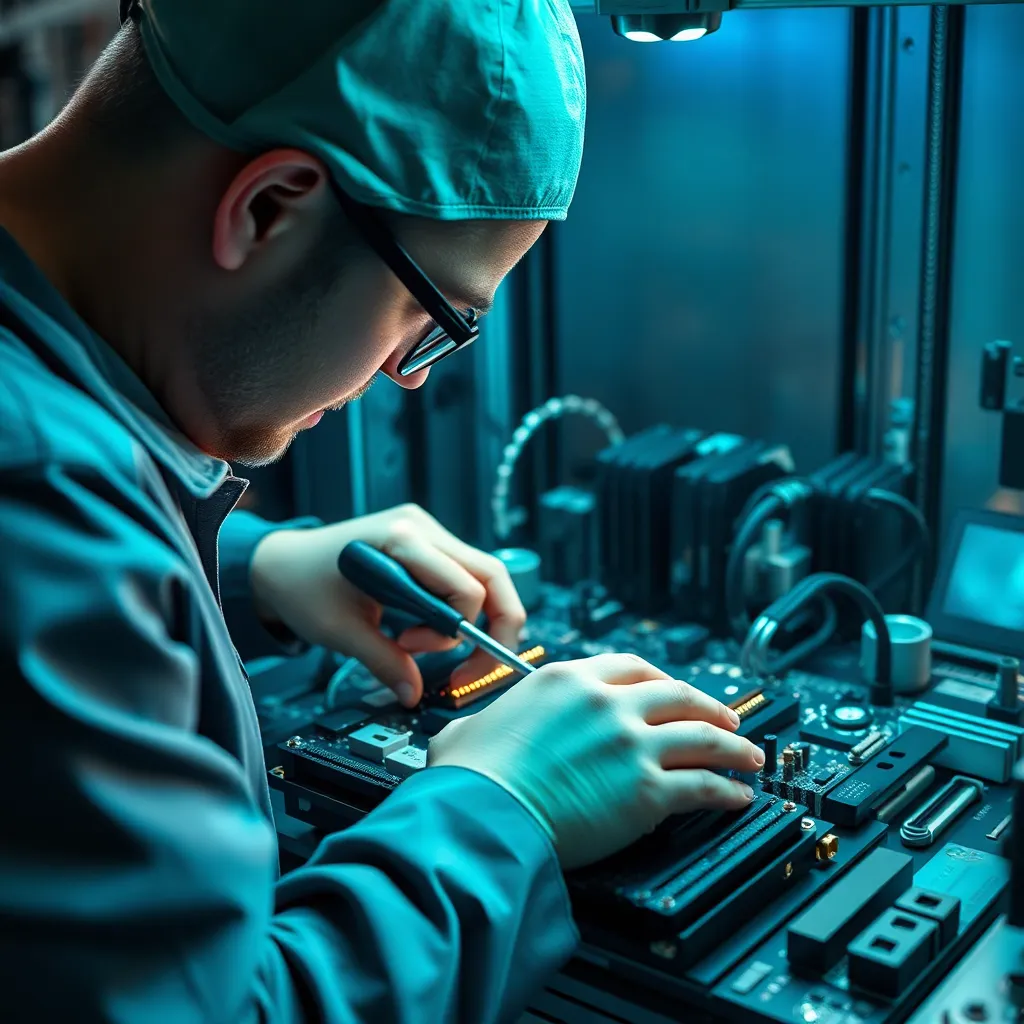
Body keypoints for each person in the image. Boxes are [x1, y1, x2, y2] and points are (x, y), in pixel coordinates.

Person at [0, 1, 765, 1020]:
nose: (409, 375)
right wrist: (505, 803)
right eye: (431, 315)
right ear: (270, 208)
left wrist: (254, 567)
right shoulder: (39, 494)